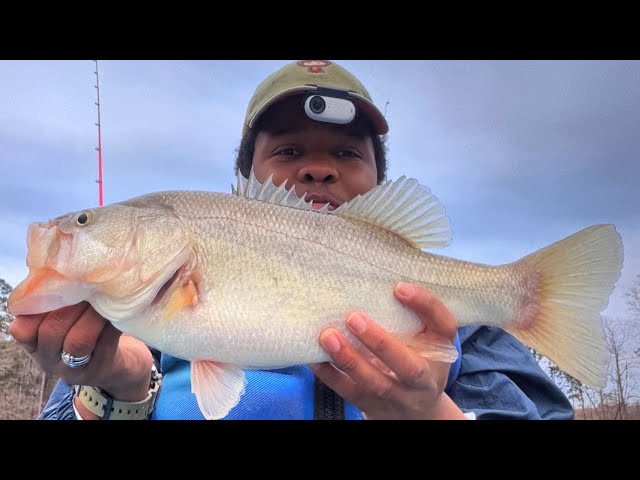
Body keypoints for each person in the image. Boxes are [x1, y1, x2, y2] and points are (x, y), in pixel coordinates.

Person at [9, 60, 574, 420]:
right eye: (288, 151)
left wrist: (432, 416)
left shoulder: (461, 323)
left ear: (379, 180)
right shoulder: (129, 326)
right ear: (245, 177)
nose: (318, 171)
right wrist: (116, 387)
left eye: (348, 154)